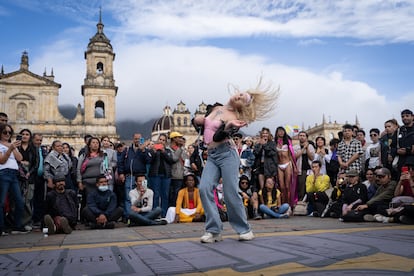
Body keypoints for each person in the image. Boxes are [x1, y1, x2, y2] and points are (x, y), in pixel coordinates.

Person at [193, 80, 278, 243]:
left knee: (230, 191)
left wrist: (227, 127)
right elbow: (202, 126)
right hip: (211, 155)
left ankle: (244, 229)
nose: (237, 97)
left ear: (242, 107)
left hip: (227, 154)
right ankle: (214, 230)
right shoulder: (216, 108)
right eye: (239, 94)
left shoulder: (235, 119)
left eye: (241, 99)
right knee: (204, 188)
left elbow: (218, 137)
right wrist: (198, 121)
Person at [0, 124, 28, 234]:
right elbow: (2, 160)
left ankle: (17, 226)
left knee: (19, 201)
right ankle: (1, 227)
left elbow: (20, 158)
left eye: (9, 132)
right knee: (1, 202)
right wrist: (9, 149)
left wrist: (13, 147)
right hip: (3, 173)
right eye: (4, 132)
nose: (7, 134)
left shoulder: (10, 144)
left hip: (13, 174)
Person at [118, 133, 151, 221]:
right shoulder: (127, 150)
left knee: (143, 195)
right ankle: (129, 216)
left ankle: (141, 216)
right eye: (135, 138)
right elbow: (120, 162)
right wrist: (121, 173)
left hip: (141, 176)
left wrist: (143, 150)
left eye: (139, 139)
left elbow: (149, 160)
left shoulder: (145, 150)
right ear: (133, 139)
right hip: (130, 176)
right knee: (129, 197)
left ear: (142, 140)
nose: (137, 140)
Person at [148, 134, 174, 218]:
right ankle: (155, 214)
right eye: (160, 139)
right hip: (155, 175)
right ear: (158, 140)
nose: (161, 141)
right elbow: (149, 161)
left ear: (165, 142)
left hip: (166, 175)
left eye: (163, 140)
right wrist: (155, 152)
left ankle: (164, 214)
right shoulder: (153, 151)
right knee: (155, 194)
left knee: (165, 195)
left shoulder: (168, 151)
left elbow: (171, 161)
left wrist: (163, 152)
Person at [17, 128, 38, 230]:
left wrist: (30, 172)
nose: (25, 136)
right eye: (23, 134)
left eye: (27, 134)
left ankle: (27, 222)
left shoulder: (33, 148)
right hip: (17, 176)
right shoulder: (16, 147)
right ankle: (16, 222)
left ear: (30, 137)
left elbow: (36, 163)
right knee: (16, 200)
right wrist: (21, 163)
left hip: (30, 177)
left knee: (27, 200)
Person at [275, 126, 296, 205]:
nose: (281, 132)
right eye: (279, 131)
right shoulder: (275, 143)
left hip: (287, 164)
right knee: (281, 187)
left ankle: (289, 204)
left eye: (282, 131)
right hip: (279, 165)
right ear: (277, 132)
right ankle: (283, 204)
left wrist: (294, 167)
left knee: (287, 186)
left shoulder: (288, 141)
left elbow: (291, 155)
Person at [31, 133, 48, 228]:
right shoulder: (31, 149)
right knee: (30, 199)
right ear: (33, 140)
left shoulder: (43, 150)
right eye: (37, 140)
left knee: (40, 199)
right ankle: (32, 219)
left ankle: (38, 219)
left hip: (41, 178)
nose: (39, 142)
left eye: (40, 140)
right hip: (32, 177)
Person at [294, 131, 315, 201]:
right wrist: (303, 148)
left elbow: (312, 157)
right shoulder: (295, 147)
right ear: (298, 137)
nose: (302, 137)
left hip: (310, 169)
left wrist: (307, 148)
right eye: (300, 135)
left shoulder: (311, 146)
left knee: (310, 186)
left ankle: (309, 200)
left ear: (306, 137)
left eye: (303, 136)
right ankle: (301, 201)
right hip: (301, 169)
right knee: (301, 186)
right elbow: (295, 156)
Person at [169, 131, 188, 208]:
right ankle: (173, 209)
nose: (180, 139)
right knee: (175, 194)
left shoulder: (181, 149)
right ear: (174, 139)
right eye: (179, 138)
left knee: (181, 194)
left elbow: (185, 158)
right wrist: (180, 148)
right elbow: (174, 158)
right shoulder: (169, 149)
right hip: (175, 175)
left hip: (183, 174)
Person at [395, 109, 414, 177]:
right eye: (402, 116)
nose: (404, 118)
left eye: (407, 116)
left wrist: (407, 151)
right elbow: (393, 145)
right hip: (401, 163)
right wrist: (397, 150)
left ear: (412, 117)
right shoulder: (399, 130)